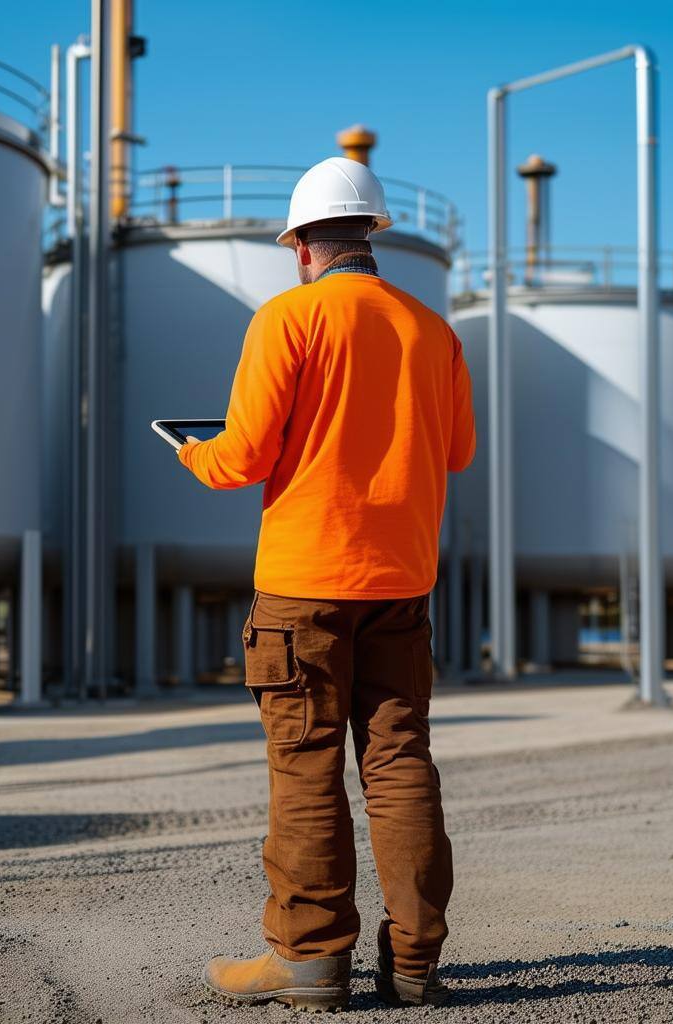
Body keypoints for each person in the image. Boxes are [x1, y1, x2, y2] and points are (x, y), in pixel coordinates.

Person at [176, 156, 476, 1011]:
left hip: (304, 585)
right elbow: (455, 453)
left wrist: (194, 453)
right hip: (402, 584)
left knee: (307, 768)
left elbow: (244, 458)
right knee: (399, 761)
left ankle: (309, 960)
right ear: (372, 235)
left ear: (303, 243)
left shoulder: (287, 318)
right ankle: (415, 965)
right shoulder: (432, 329)